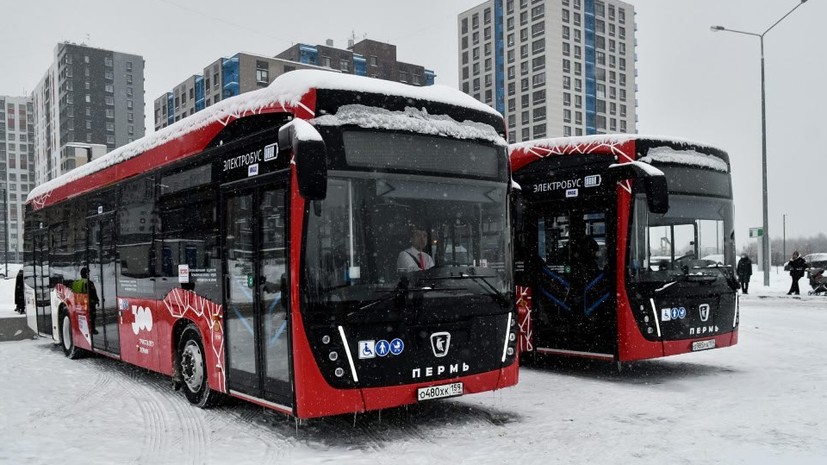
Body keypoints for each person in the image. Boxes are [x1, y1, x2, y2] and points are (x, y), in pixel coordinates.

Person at [72, 267, 99, 334]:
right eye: (88, 273)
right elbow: (93, 292)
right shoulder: (89, 283)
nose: (89, 274)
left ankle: (83, 329)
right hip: (89, 303)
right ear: (86, 274)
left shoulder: (77, 282)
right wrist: (96, 300)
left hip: (80, 303)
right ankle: (92, 329)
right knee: (91, 316)